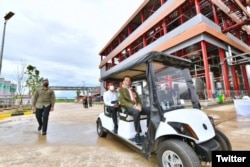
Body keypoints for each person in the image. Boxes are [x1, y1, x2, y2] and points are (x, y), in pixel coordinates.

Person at [118, 76, 150, 144]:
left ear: (130, 82)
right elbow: (123, 102)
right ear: (123, 82)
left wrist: (140, 105)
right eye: (126, 80)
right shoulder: (121, 90)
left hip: (137, 106)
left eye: (129, 81)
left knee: (149, 110)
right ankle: (137, 133)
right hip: (128, 107)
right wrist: (135, 106)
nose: (127, 82)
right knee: (136, 112)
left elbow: (139, 99)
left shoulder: (133, 90)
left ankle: (147, 131)